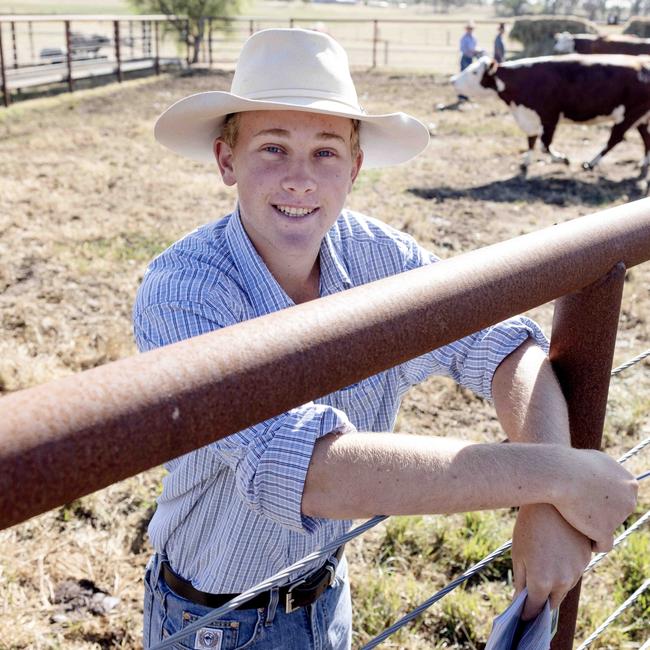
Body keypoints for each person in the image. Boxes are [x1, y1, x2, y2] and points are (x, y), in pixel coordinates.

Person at [134, 27, 638, 649]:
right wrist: (557, 477)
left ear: (356, 167)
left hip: (326, 591)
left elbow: (503, 347)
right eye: (271, 148)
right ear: (226, 161)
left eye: (325, 152)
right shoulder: (183, 290)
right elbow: (302, 471)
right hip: (213, 619)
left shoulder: (378, 255)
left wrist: (545, 502)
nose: (300, 178)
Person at [458, 21, 481, 101]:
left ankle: (467, 95)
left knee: (469, 77)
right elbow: (464, 49)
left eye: (471, 28)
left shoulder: (473, 38)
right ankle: (461, 96)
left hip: (471, 58)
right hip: (465, 58)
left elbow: (474, 47)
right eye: (469, 28)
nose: (470, 30)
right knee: (463, 77)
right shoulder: (464, 38)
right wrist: (474, 51)